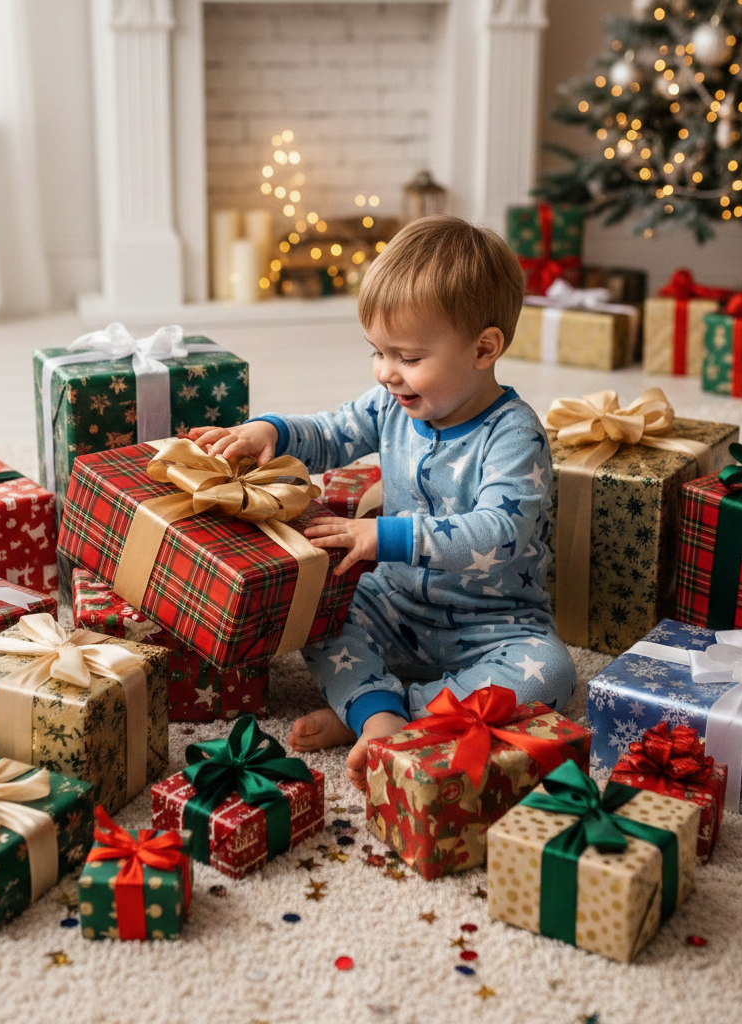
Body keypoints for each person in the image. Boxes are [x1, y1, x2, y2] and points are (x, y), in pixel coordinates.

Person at [192, 215, 576, 790]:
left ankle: (394, 714)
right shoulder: (391, 403)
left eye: (409, 357)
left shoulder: (514, 434)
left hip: (497, 624)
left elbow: (502, 530)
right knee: (318, 613)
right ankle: (377, 711)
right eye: (376, 351)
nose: (387, 373)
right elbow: (333, 430)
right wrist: (272, 432)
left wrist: (385, 536)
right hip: (394, 605)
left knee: (553, 676)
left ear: (484, 347)